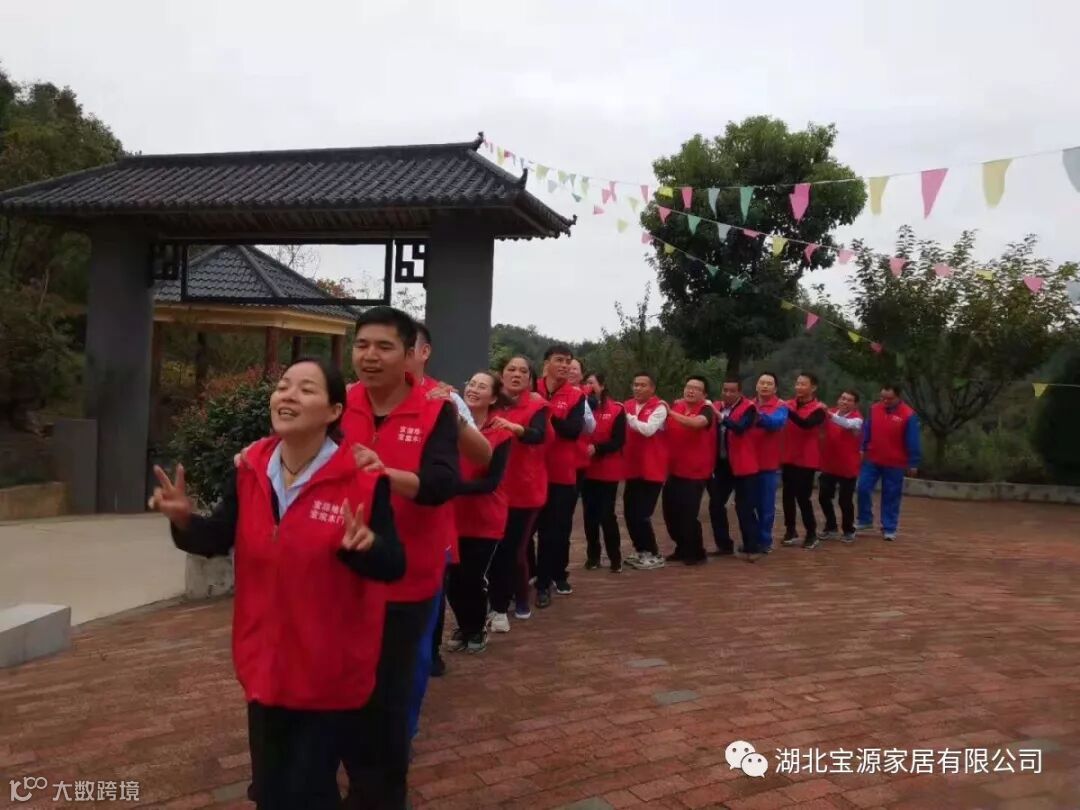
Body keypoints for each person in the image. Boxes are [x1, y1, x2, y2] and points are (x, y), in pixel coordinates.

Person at [152, 358, 404, 810]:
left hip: (328, 668)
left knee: (310, 790)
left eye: (306, 389)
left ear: (333, 411)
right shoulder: (250, 468)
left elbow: (393, 565)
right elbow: (218, 537)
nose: (288, 395)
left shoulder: (364, 479)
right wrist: (184, 519)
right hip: (265, 662)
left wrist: (364, 546)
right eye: (284, 386)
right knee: (270, 790)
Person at [339, 307, 459, 809]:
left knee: (387, 698)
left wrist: (385, 473)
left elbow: (441, 483)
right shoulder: (338, 401)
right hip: (341, 572)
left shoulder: (436, 409)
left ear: (410, 354)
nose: (370, 356)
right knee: (338, 685)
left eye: (384, 347)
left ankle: (381, 795)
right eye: (362, 345)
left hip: (406, 575)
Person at [411, 322, 489, 679]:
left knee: (432, 588)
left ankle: (430, 653)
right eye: (363, 345)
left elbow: (480, 453)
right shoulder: (355, 398)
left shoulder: (445, 399)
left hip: (430, 515)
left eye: (392, 346)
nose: (374, 355)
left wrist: (449, 415)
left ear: (423, 352)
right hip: (372, 518)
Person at [446, 372, 512, 651]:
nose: (473, 389)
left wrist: (452, 486)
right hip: (452, 516)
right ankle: (466, 626)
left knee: (472, 578)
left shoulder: (501, 433)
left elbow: (492, 481)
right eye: (471, 384)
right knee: (452, 579)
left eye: (482, 387)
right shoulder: (448, 425)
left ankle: (476, 628)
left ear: (493, 398)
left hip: (485, 519)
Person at [488, 356, 549, 623]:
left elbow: (538, 435)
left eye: (523, 371)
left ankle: (521, 598)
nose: (517, 374)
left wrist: (517, 429)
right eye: (511, 369)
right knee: (494, 548)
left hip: (525, 490)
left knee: (515, 550)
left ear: (530, 379)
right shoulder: (491, 403)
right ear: (501, 375)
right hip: (494, 488)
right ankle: (498, 598)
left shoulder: (537, 405)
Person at [534, 344, 586, 608]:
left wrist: (545, 411)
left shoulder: (576, 395)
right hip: (530, 471)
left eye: (568, 361)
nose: (565, 365)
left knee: (553, 532)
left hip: (561, 475)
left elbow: (572, 431)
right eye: (559, 360)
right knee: (524, 531)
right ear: (547, 363)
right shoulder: (532, 388)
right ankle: (528, 575)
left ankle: (546, 583)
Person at [662, 376, 715, 565]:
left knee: (688, 514)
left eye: (696, 388)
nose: (690, 391)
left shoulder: (706, 410)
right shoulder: (677, 406)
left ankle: (697, 552)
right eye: (688, 387)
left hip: (695, 473)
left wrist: (670, 413)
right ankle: (682, 547)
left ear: (704, 394)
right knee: (670, 513)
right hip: (674, 470)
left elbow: (696, 424)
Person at [857, 384, 922, 541]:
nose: (885, 401)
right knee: (862, 487)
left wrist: (913, 462)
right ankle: (865, 519)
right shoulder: (874, 409)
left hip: (895, 462)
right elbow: (867, 429)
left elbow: (913, 440)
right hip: (873, 458)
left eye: (889, 398)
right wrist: (863, 447)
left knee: (891, 495)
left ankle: (889, 527)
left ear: (898, 397)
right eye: (882, 398)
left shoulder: (908, 414)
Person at [708, 377, 760, 556]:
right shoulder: (716, 406)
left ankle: (752, 546)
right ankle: (724, 545)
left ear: (740, 392)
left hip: (744, 466)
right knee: (716, 505)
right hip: (722, 466)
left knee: (744, 507)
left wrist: (721, 417)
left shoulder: (749, 408)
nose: (728, 394)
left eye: (732, 391)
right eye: (725, 390)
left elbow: (740, 427)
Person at [623, 372, 669, 570]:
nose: (638, 388)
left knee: (643, 513)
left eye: (643, 385)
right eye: (635, 384)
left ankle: (653, 552)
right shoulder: (627, 405)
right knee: (629, 512)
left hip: (652, 469)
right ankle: (640, 550)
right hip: (632, 467)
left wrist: (628, 417)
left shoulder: (659, 407)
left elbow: (648, 430)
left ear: (652, 388)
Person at [581, 372, 626, 572]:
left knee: (607, 515)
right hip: (586, 470)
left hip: (608, 471)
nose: (588, 386)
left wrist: (597, 449)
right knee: (589, 516)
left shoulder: (616, 410)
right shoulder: (581, 408)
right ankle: (593, 556)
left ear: (602, 386)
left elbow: (618, 441)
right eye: (585, 383)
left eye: (591, 383)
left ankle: (615, 558)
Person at [781, 372, 827, 550]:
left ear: (813, 387)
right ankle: (790, 530)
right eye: (797, 383)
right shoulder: (789, 404)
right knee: (787, 495)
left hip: (806, 459)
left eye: (803, 384)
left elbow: (806, 424)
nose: (798, 387)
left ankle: (811, 533)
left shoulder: (819, 409)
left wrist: (787, 411)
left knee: (803, 497)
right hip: (788, 456)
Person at [750, 372, 788, 554]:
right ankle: (751, 540)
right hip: (748, 462)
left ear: (775, 388)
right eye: (762, 382)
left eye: (769, 383)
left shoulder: (781, 406)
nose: (765, 386)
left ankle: (764, 541)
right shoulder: (749, 404)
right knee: (747, 505)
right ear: (756, 386)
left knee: (765, 505)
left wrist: (758, 416)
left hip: (768, 464)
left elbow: (776, 423)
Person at [819, 389, 863, 544]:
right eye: (843, 398)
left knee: (845, 501)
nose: (844, 402)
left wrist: (829, 414)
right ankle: (831, 526)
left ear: (855, 404)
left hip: (847, 467)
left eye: (849, 400)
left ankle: (848, 530)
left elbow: (846, 424)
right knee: (823, 497)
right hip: (829, 464)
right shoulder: (830, 413)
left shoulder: (857, 419)